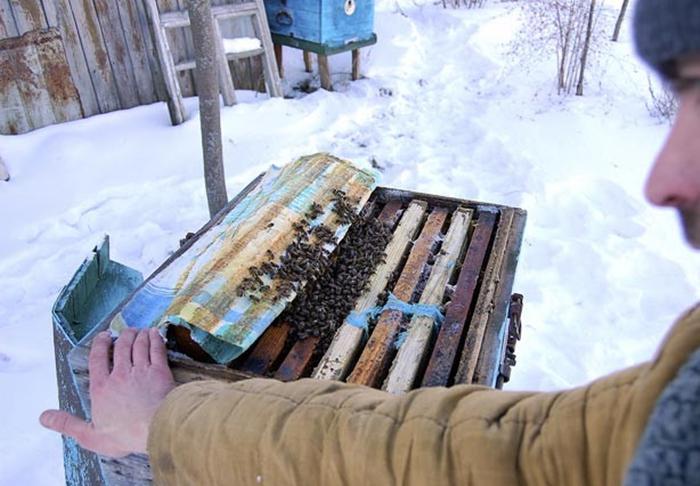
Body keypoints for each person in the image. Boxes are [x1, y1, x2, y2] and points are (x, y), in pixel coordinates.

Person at [40, 0, 700, 484]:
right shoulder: (678, 399)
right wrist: (176, 423)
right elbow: (491, 454)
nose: (660, 180)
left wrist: (172, 425)